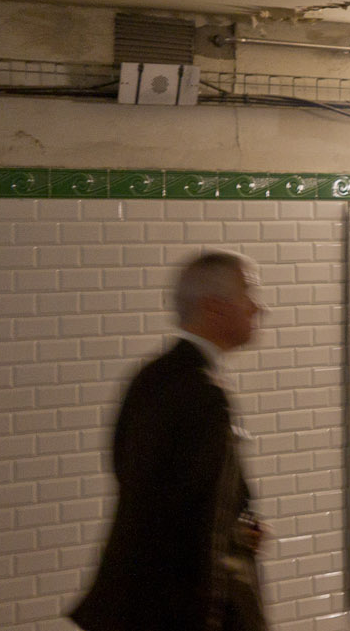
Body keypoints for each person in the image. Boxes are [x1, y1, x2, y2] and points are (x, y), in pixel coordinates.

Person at [71, 251, 267, 631]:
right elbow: (202, 519)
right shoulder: (202, 394)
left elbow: (130, 474)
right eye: (248, 294)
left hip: (130, 604)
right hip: (177, 609)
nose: (258, 308)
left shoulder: (151, 377)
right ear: (214, 308)